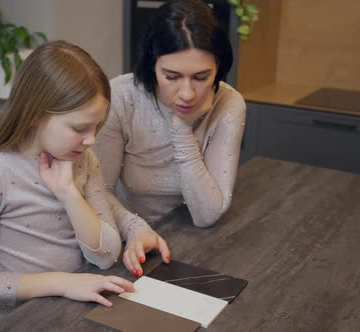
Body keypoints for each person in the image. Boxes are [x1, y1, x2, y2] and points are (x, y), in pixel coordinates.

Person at [0, 41, 134, 331]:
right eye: (79, 128)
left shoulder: (85, 162)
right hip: (7, 323)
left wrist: (68, 194)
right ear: (35, 113)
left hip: (62, 316)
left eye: (97, 127)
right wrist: (62, 282)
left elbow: (107, 255)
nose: (91, 140)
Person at [92, 0, 246, 277]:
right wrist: (136, 229)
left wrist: (181, 128)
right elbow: (98, 191)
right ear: (153, 64)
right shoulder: (122, 97)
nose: (187, 93)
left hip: (196, 241)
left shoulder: (229, 104)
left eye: (201, 77)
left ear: (218, 66)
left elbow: (206, 215)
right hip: (130, 240)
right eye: (171, 76)